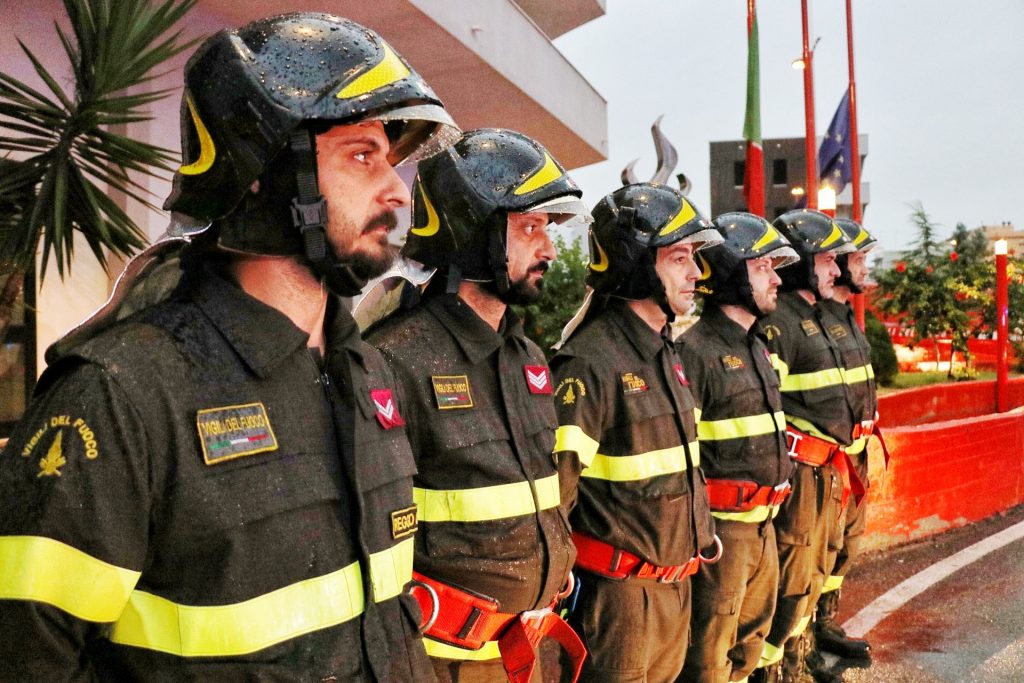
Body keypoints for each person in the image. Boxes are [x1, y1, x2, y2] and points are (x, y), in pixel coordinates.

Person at [0, 13, 459, 681]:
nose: (396, 189)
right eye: (362, 154)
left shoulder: (367, 370)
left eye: (393, 160)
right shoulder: (121, 394)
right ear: (263, 172)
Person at [365, 128, 589, 683]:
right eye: (530, 227)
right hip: (444, 664)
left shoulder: (527, 357)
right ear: (476, 231)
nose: (548, 248)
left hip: (527, 652)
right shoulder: (393, 360)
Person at [550, 182, 722, 682]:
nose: (696, 274)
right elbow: (557, 496)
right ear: (636, 263)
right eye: (680, 258)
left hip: (674, 589)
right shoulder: (590, 361)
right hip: (619, 602)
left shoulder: (665, 353)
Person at [676, 212, 800, 683]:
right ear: (730, 271)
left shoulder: (758, 347)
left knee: (750, 646)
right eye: (763, 267)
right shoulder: (696, 353)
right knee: (709, 657)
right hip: (724, 538)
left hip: (765, 529)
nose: (776, 279)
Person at [754, 209, 857, 683]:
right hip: (799, 478)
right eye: (827, 259)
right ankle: (779, 671)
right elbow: (766, 414)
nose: (835, 270)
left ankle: (798, 661)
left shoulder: (810, 318)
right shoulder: (781, 326)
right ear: (802, 263)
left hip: (825, 473)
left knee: (812, 577)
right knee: (791, 584)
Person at [812, 219, 880, 664]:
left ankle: (825, 623)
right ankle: (807, 640)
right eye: (857, 259)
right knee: (816, 555)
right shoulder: (814, 321)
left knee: (844, 548)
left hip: (854, 456)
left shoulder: (844, 319)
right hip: (828, 461)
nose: (862, 267)